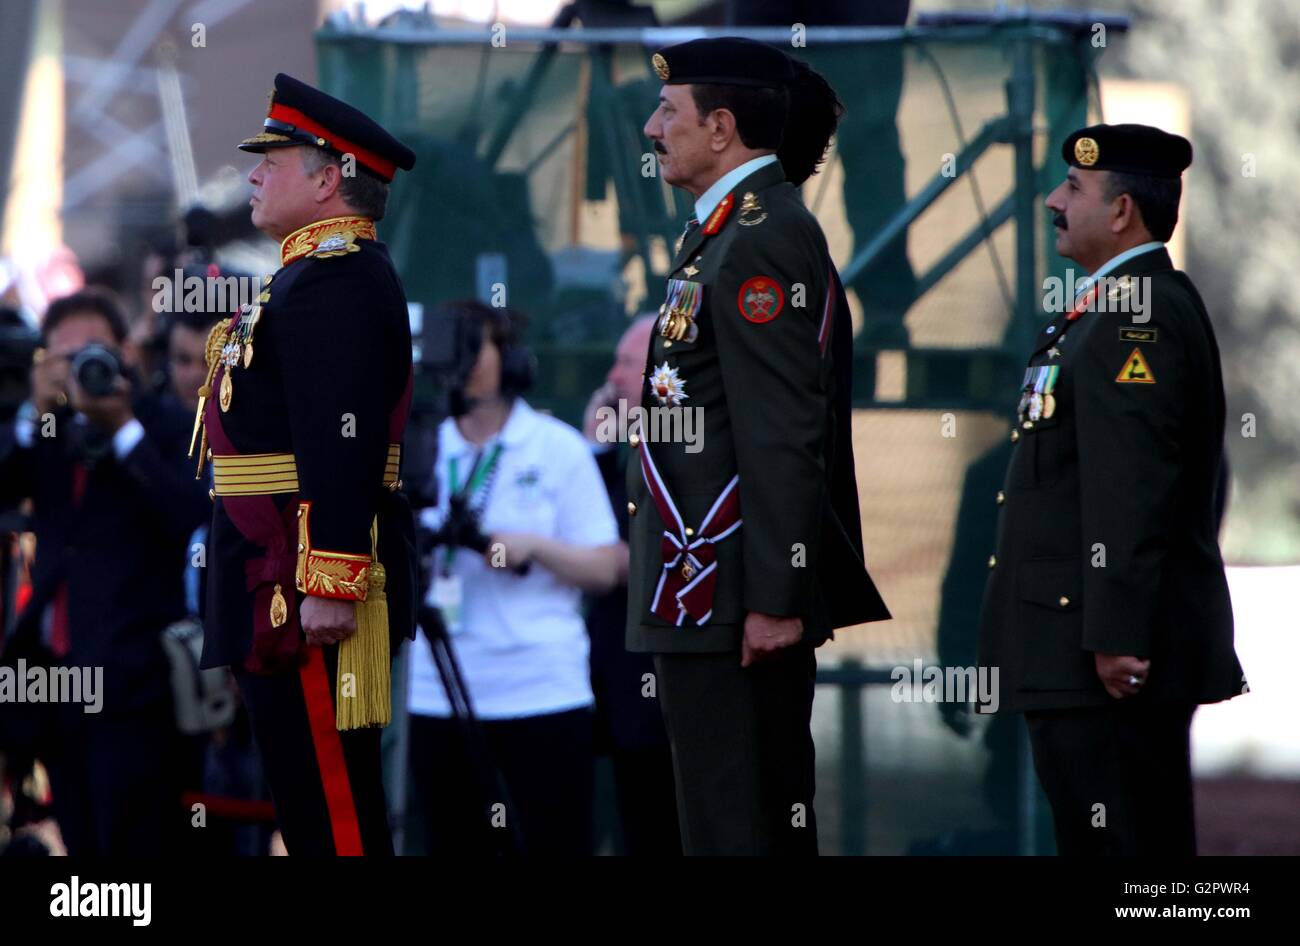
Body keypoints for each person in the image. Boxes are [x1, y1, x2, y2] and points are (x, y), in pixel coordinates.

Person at [631, 37, 890, 856]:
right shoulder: (728, 234)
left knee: (740, 822)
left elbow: (783, 433)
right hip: (710, 593)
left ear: (722, 128)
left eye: (668, 111)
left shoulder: (763, 238)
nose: (649, 128)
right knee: (726, 820)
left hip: (736, 596)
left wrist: (777, 596)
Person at [976, 124, 1244, 855]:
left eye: (1073, 189)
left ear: (1122, 211)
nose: (1052, 202)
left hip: (1107, 659)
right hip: (1083, 649)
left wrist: (1117, 638)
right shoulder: (1110, 306)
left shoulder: (1137, 313)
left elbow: (1132, 489)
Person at [195, 73, 418, 856]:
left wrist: (332, 579)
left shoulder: (336, 280)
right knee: (310, 806)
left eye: (274, 160)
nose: (254, 174)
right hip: (274, 568)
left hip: (302, 586)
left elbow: (341, 438)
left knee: (335, 817)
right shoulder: (309, 277)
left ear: (330, 180)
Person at [406, 300, 621, 856]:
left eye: (478, 345)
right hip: (437, 692)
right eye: (455, 345)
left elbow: (609, 566)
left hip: (539, 691)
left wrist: (535, 547)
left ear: (511, 360)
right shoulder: (419, 448)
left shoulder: (556, 449)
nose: (466, 361)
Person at [0, 288, 210, 854]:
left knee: (134, 844)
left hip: (136, 685)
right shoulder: (50, 430)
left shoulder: (166, 424)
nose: (81, 370)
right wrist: (32, 415)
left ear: (126, 353)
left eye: (94, 353)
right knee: (80, 841)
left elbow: (188, 517)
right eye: (64, 358)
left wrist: (120, 429)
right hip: (55, 682)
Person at [581, 313, 681, 856]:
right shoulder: (623, 452)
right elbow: (586, 528)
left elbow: (621, 553)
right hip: (615, 682)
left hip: (664, 679)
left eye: (626, 362)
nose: (613, 376)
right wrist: (595, 450)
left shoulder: (687, 450)